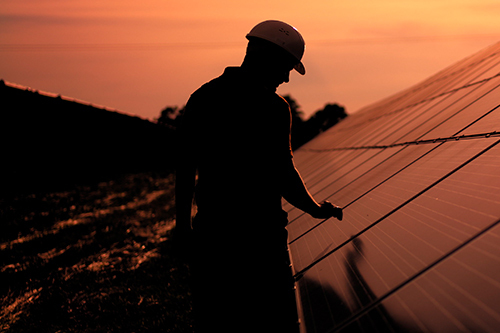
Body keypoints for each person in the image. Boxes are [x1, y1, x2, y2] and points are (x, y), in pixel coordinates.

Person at [175, 20, 343, 333]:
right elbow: (283, 174)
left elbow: (186, 168)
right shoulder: (274, 109)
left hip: (213, 240)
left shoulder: (204, 97)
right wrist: (315, 208)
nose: (287, 77)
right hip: (262, 245)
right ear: (270, 57)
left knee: (215, 321)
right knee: (272, 322)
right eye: (287, 67)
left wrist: (183, 228)